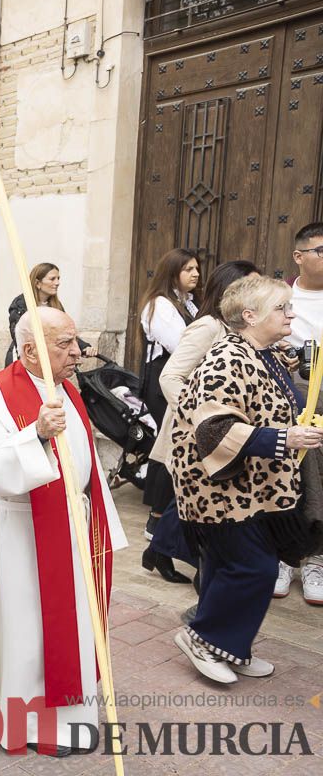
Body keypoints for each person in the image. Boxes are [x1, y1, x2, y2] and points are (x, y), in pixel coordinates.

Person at [0, 306, 126, 755]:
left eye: (75, 341)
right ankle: (29, 723)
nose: (77, 352)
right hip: (20, 531)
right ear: (30, 349)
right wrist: (33, 433)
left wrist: (98, 517)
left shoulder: (66, 389)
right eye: (64, 344)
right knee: (26, 627)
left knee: (70, 620)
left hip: (71, 525)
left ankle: (72, 714)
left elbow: (83, 462)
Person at [168, 274, 318, 683]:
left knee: (227, 564)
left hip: (245, 485)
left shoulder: (261, 351)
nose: (291, 314)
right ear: (250, 316)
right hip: (218, 486)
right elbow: (213, 429)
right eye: (281, 308)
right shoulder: (227, 358)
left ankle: (231, 646)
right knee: (255, 568)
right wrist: (287, 437)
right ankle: (202, 638)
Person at [146, 261, 261, 586]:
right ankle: (203, 573)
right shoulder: (208, 326)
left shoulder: (236, 328)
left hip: (218, 433)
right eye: (249, 287)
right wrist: (203, 414)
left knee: (192, 499)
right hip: (197, 431)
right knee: (202, 500)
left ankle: (162, 551)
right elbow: (171, 376)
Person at [138, 248, 200, 543]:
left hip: (181, 379)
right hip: (165, 380)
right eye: (188, 269)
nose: (196, 274)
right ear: (172, 271)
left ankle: (171, 514)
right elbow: (181, 344)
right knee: (168, 446)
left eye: (197, 269)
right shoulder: (161, 305)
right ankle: (156, 518)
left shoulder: (188, 304)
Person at [283, 221, 323, 605]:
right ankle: (284, 556)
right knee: (289, 476)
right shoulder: (279, 296)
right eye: (321, 251)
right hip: (289, 401)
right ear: (299, 256)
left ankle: (316, 559)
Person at [5, 263, 64, 365]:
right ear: (38, 283)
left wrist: (83, 346)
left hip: (49, 358)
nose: (57, 282)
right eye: (52, 279)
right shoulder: (21, 303)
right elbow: (18, 335)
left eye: (58, 278)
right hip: (26, 357)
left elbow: (64, 330)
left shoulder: (56, 305)